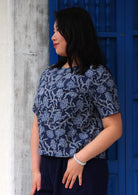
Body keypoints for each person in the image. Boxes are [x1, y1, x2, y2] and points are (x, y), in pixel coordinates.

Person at [30, 7, 122, 195]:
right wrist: (36, 171)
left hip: (82, 170)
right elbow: (37, 123)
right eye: (53, 31)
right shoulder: (48, 75)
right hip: (47, 170)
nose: (53, 37)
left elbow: (114, 128)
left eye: (58, 31)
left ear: (74, 32)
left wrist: (79, 159)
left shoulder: (96, 74)